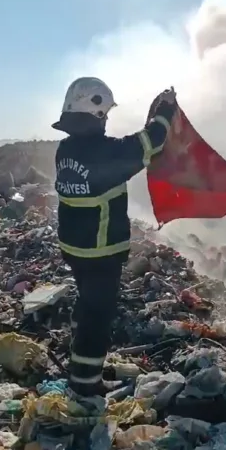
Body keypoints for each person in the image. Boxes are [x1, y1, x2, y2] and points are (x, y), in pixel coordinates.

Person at [51, 77, 177, 398]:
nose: (106, 120)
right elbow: (151, 142)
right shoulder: (106, 154)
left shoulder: (65, 150)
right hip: (100, 251)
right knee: (98, 315)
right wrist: (165, 112)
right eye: (104, 114)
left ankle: (79, 358)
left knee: (86, 303)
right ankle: (85, 381)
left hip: (74, 248)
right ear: (94, 114)